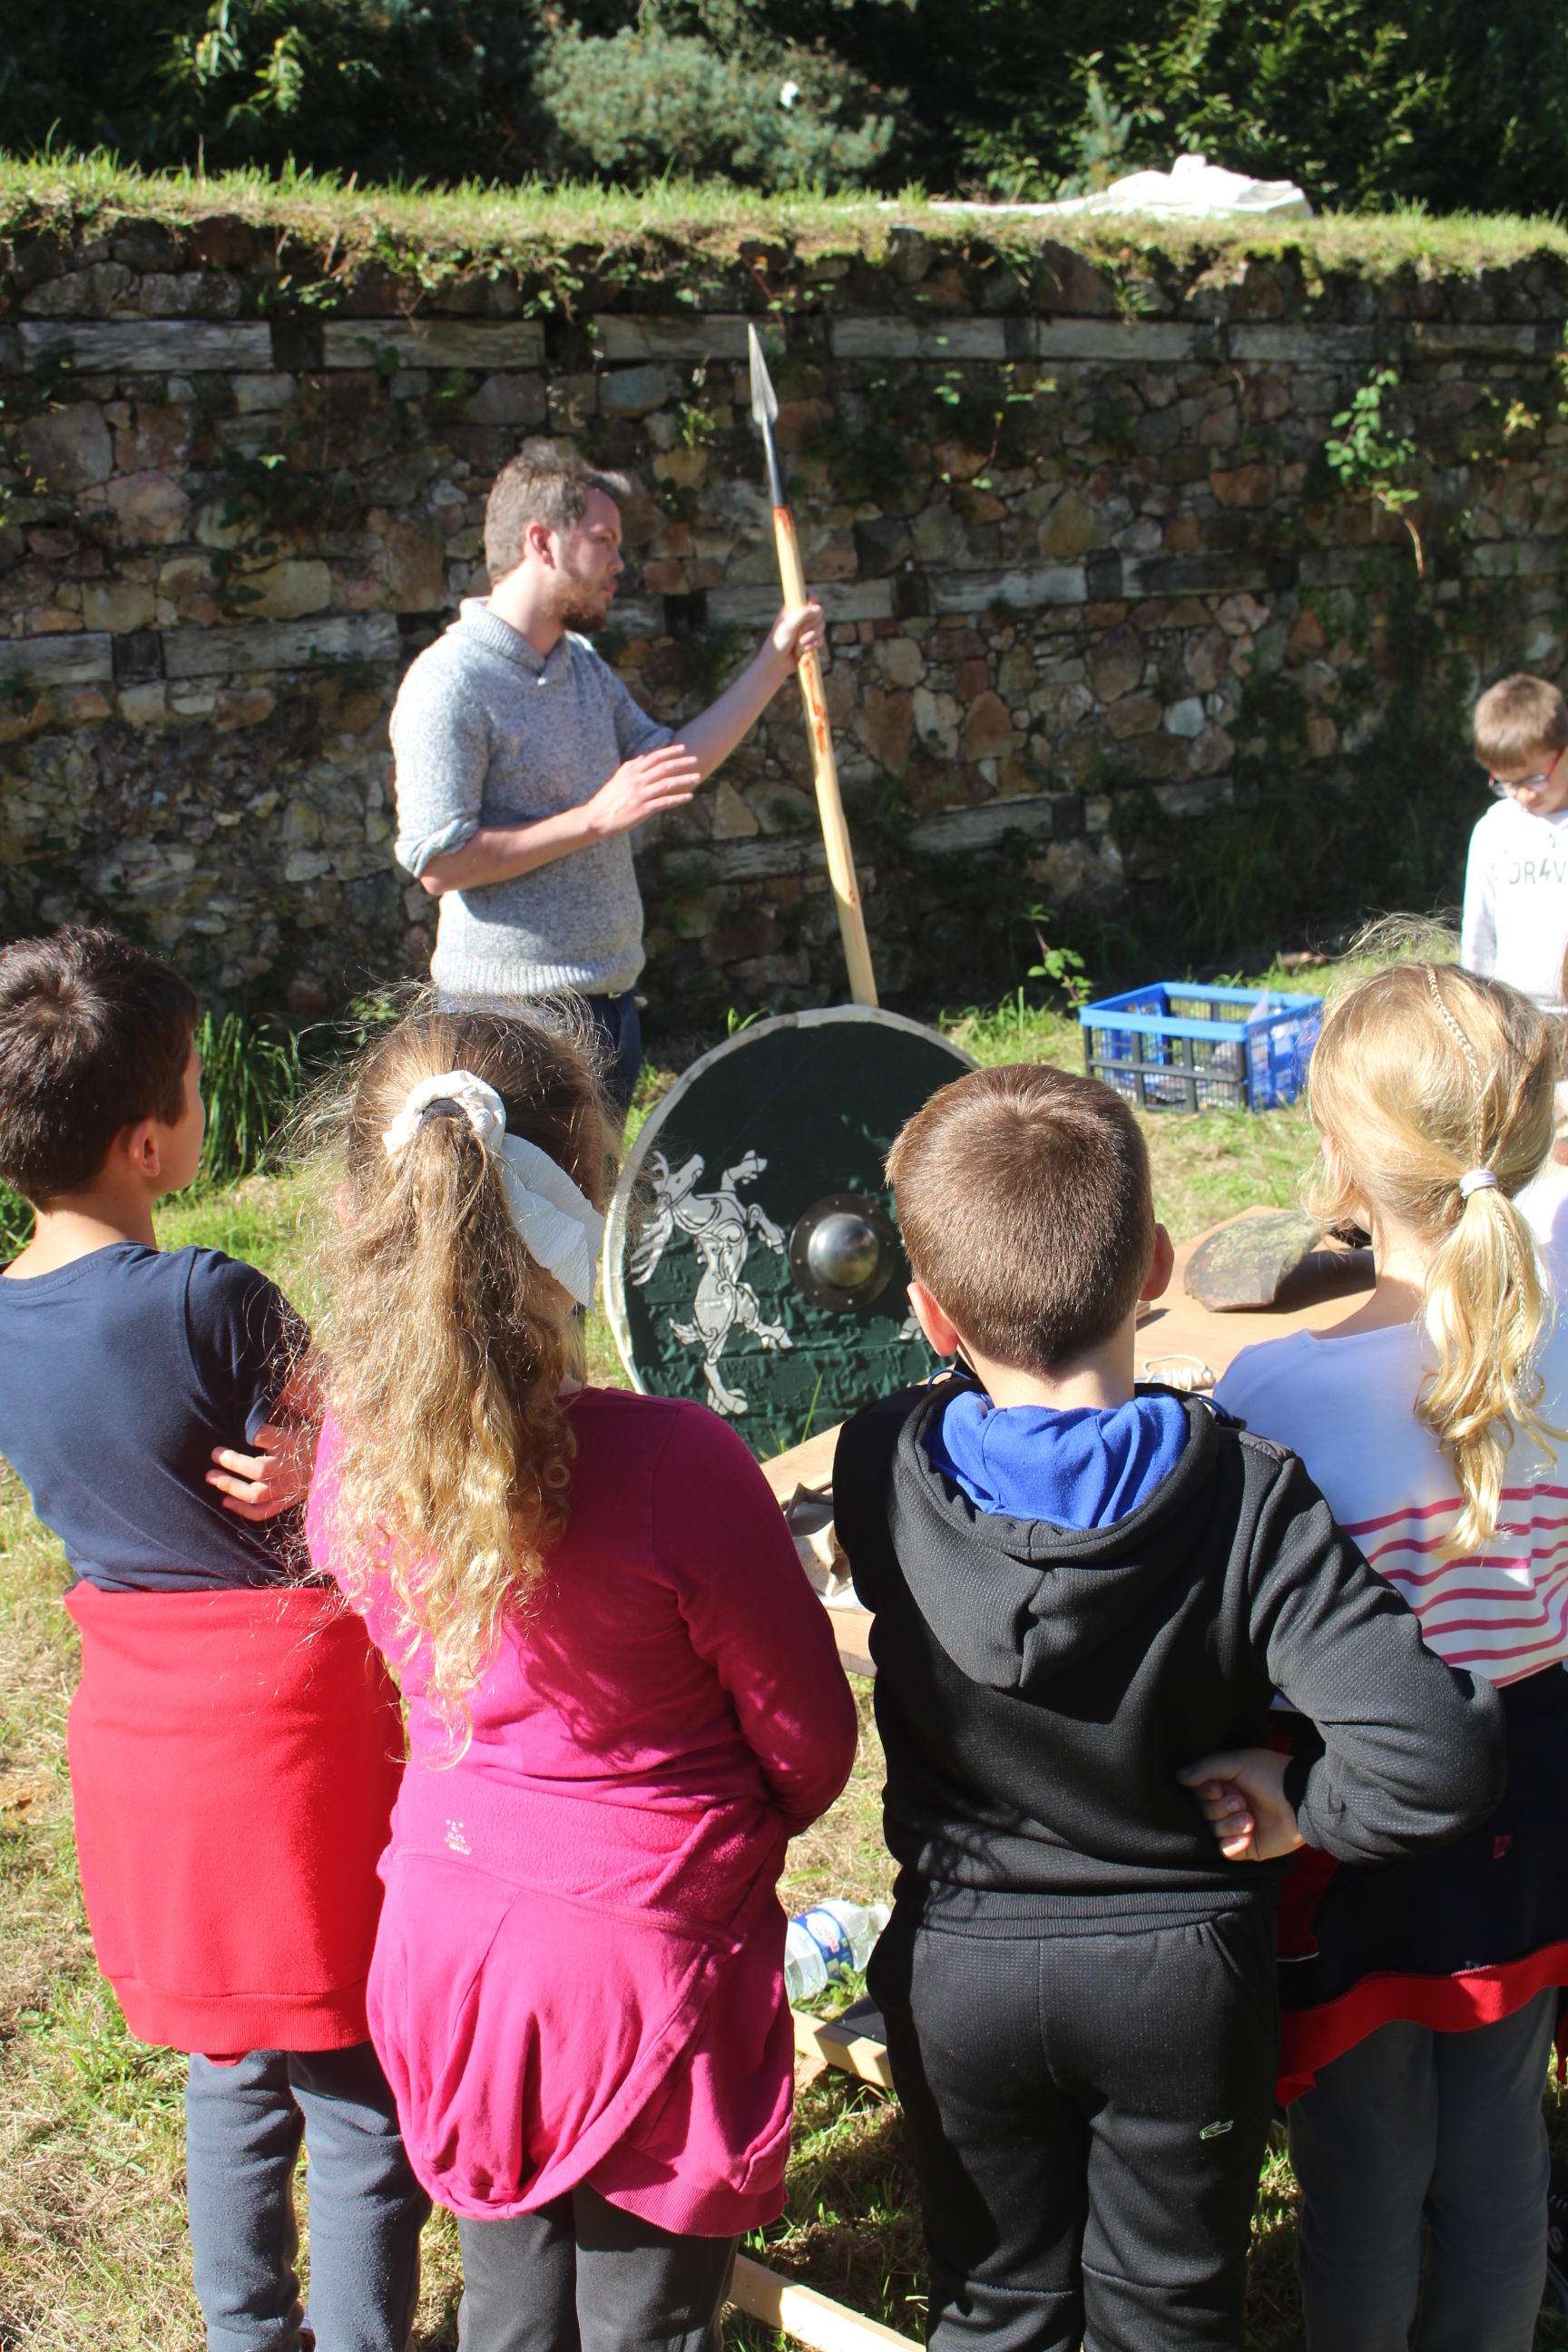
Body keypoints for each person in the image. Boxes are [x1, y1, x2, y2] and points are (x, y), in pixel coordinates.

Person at [831, 1060, 1506, 2352]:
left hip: (958, 1966)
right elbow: (1432, 1761)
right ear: (1155, 1265)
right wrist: (1302, 1803)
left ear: (928, 1312)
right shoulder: (1250, 1494)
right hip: (1179, 1985)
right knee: (1168, 2312)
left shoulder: (876, 1460)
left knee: (994, 2300)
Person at [301, 1005, 858, 2352]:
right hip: (643, 1966)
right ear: (589, 1205)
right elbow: (812, 1745)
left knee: (506, 2303)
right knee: (644, 2328)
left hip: (448, 1947)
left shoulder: (352, 1456)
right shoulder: (679, 1466)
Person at [0, 926, 427, 2352]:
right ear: (147, 1142)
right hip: (283, 1736)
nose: (202, 1102)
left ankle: (251, 2335)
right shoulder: (212, 1301)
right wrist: (326, 1461)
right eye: (193, 1085)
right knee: (354, 2078)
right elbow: (367, 1448)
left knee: (229, 2058)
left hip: (138, 1730)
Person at [1196, 960, 1568, 2352]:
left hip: (1354, 1817)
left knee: (1361, 2169)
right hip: (1537, 1803)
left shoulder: (1276, 1392)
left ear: (1339, 1159)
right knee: (1500, 2143)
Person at [390, 450, 825, 1117]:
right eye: (603, 541)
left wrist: (774, 660)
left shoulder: (582, 667)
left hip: (610, 1012)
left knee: (594, 1221)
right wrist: (594, 818)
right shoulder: (448, 682)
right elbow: (440, 861)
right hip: (508, 1029)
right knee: (521, 1224)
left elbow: (673, 762)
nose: (620, 563)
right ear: (541, 541)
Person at [1461, 671, 1568, 1011]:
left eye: (1535, 779)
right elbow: (1478, 931)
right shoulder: (1495, 831)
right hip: (1519, 1015)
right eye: (1507, 783)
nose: (1522, 793)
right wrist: (1478, 1006)